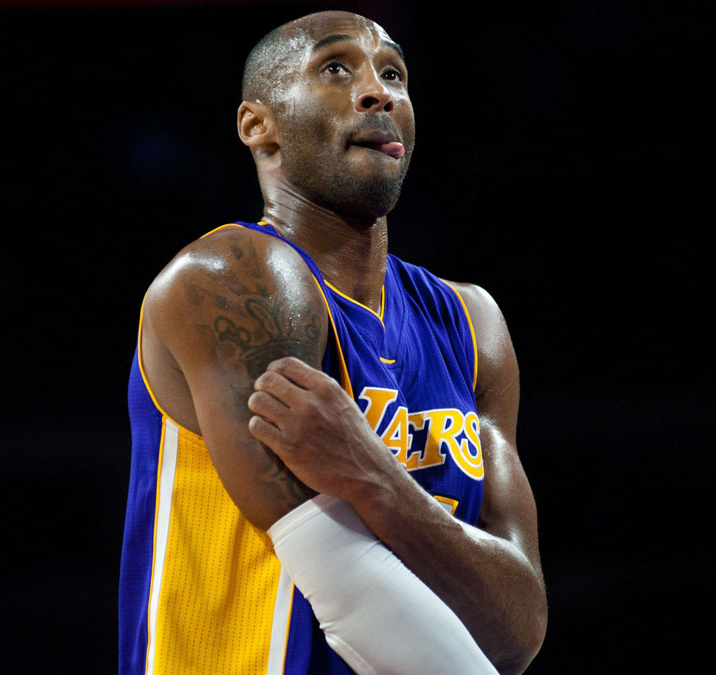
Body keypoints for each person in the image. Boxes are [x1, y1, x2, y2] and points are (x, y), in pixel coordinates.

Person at [118, 10, 547, 674]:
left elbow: (517, 629)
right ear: (256, 125)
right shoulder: (232, 278)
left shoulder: (472, 324)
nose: (379, 91)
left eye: (394, 74)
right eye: (336, 68)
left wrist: (372, 476)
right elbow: (342, 583)